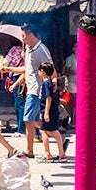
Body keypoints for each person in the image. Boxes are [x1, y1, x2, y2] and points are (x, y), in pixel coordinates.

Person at [15, 29, 54, 158]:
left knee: (28, 119)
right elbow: (27, 70)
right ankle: (56, 134)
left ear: (31, 35)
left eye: (23, 36)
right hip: (30, 89)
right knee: (34, 120)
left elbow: (51, 68)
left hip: (37, 90)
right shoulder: (28, 49)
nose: (22, 39)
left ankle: (29, 150)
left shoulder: (41, 49)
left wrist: (52, 84)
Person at [35, 62, 62, 161]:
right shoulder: (49, 83)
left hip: (47, 110)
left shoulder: (46, 84)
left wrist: (46, 112)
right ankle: (61, 153)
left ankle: (47, 154)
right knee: (54, 131)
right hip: (52, 110)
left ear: (43, 72)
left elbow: (48, 98)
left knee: (43, 131)